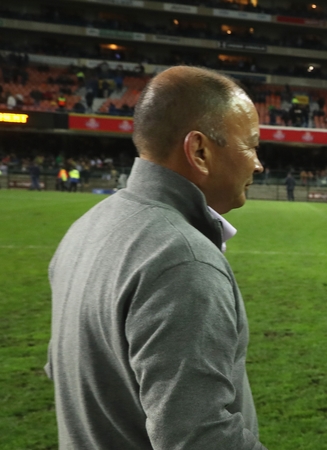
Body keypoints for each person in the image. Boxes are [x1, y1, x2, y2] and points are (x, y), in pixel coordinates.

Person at [46, 66, 268, 449]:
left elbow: (63, 374)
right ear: (199, 151)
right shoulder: (183, 260)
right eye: (250, 145)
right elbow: (200, 439)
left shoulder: (84, 227)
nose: (258, 164)